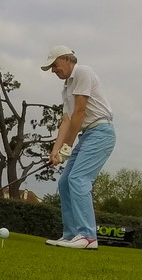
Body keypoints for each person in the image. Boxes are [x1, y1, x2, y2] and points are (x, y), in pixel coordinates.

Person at [41, 45, 116, 249]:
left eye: (54, 65)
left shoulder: (83, 72)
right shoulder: (66, 88)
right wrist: (55, 151)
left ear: (67, 59)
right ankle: (71, 234)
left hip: (101, 132)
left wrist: (67, 147)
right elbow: (66, 120)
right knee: (65, 182)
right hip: (87, 136)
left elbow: (80, 112)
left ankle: (88, 236)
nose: (53, 70)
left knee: (78, 178)